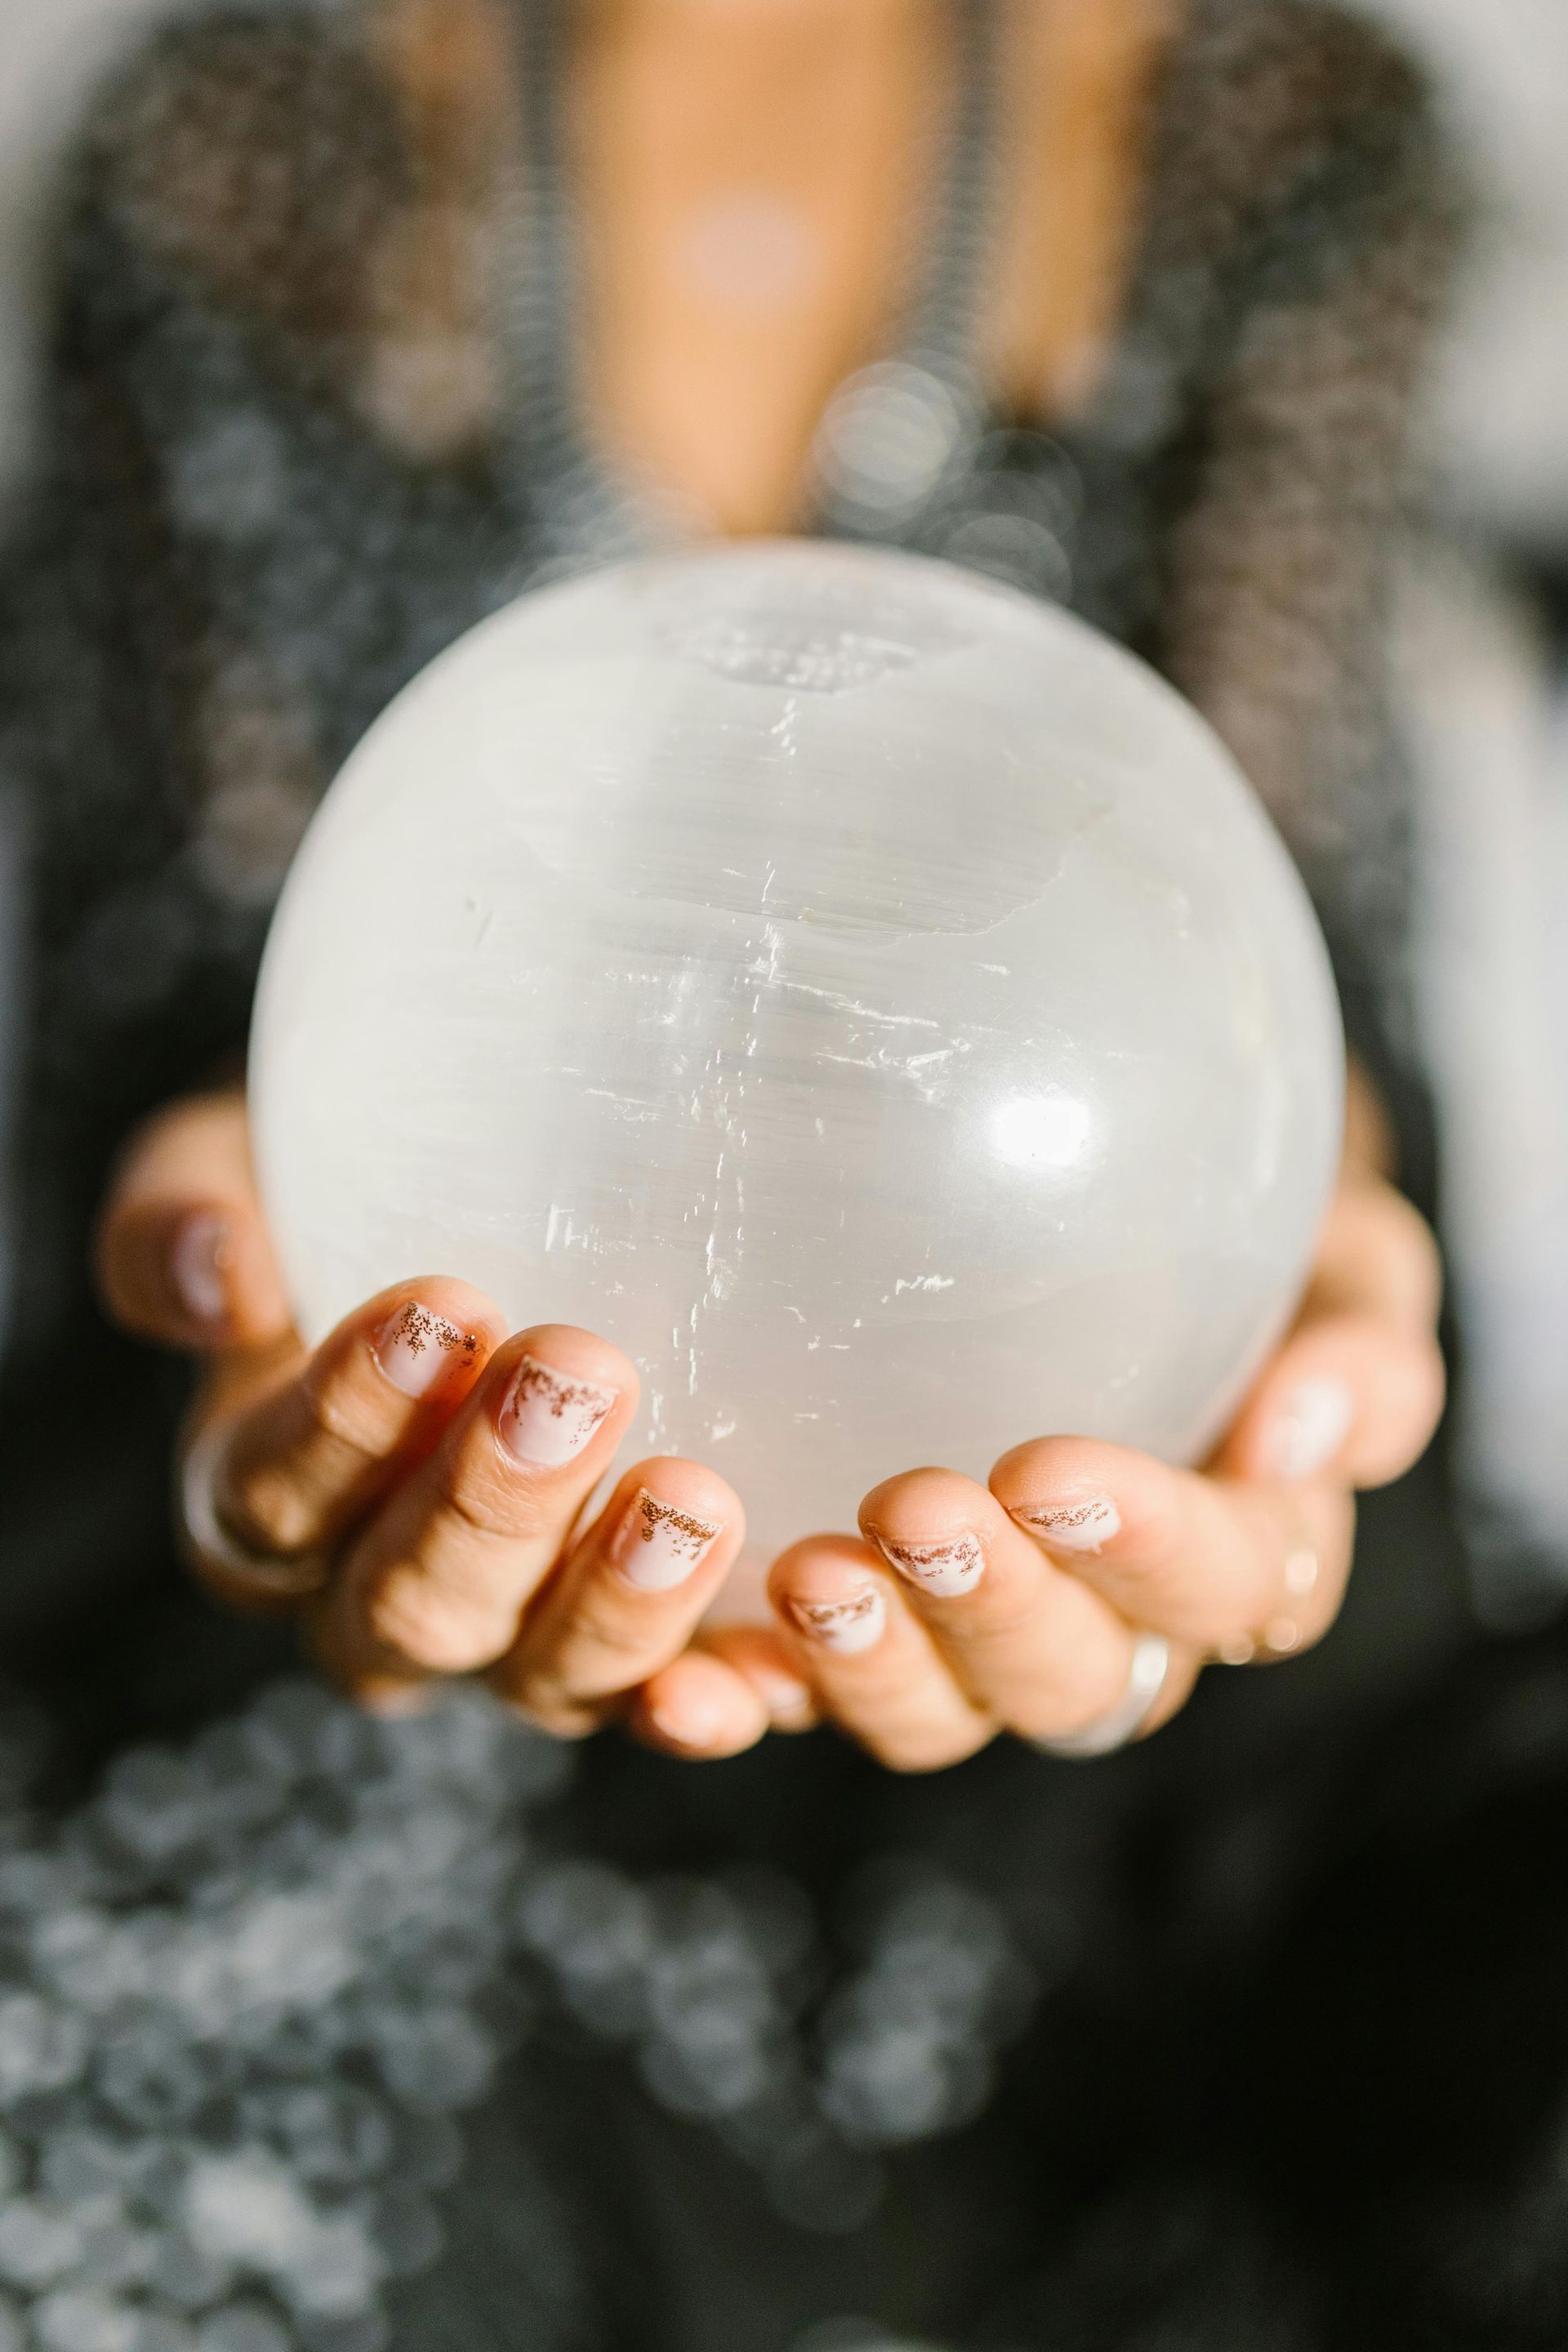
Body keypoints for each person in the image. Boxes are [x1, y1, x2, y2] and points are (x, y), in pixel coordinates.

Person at [0, 0, 1477, 2339]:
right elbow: (187, 957)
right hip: (378, 1519)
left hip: (1119, 1504)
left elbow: (1283, 927)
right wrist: (221, 1220)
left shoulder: (1280, 124)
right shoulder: (234, 133)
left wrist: (1330, 1252)